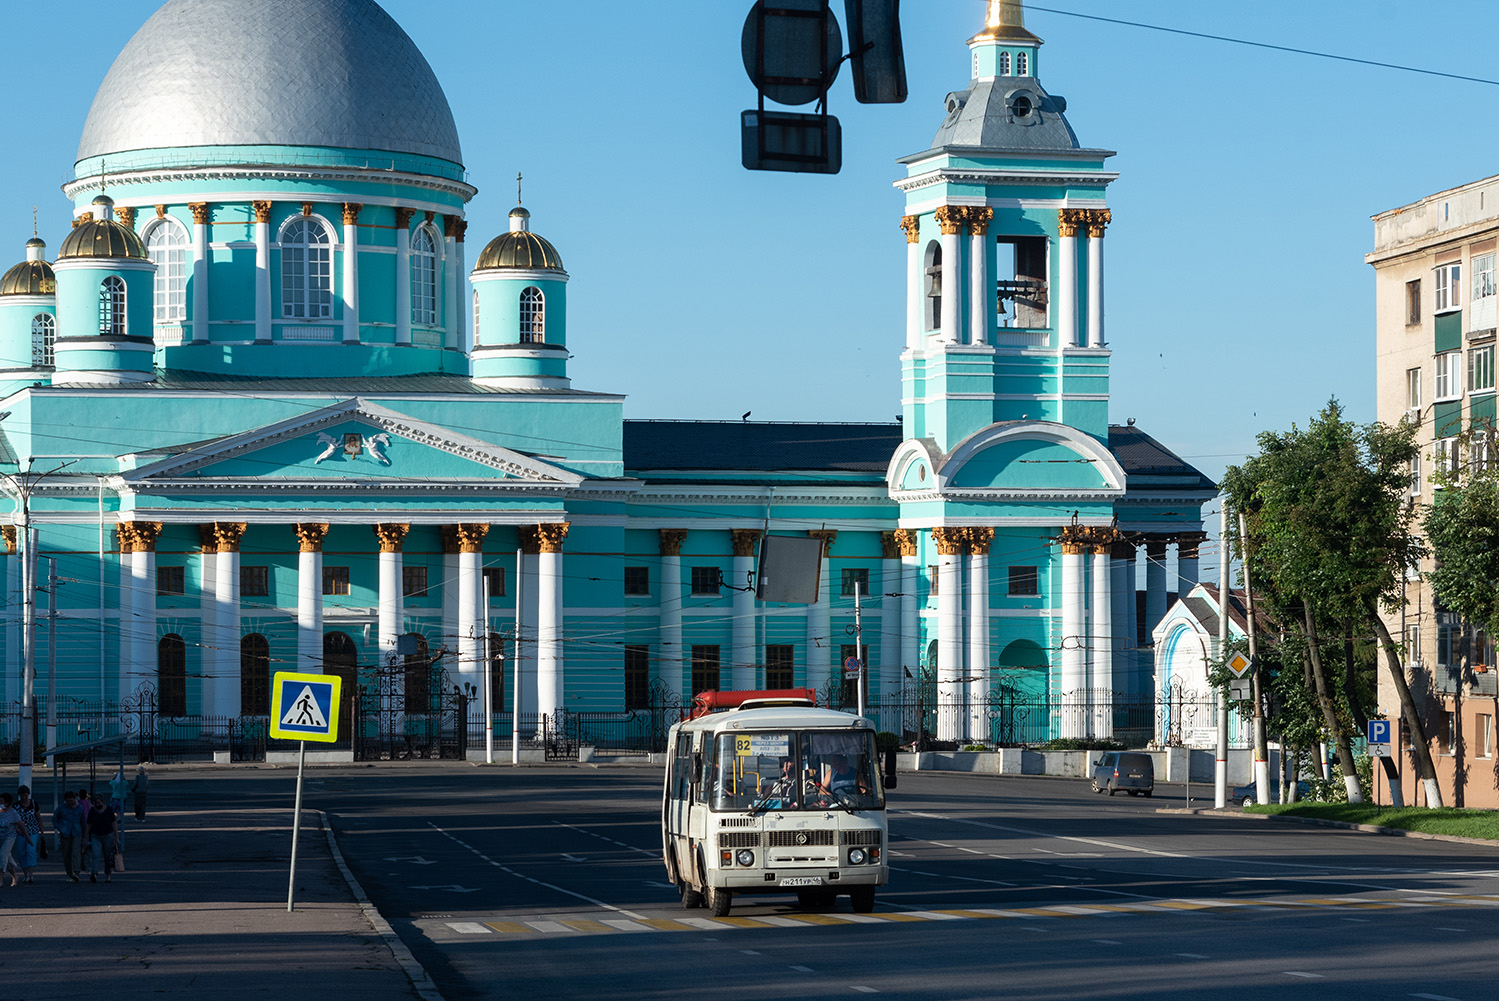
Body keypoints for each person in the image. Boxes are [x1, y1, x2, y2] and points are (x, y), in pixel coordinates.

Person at [52, 790, 86, 883]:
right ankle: (69, 873)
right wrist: (60, 828)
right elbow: (54, 819)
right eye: (68, 801)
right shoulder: (61, 807)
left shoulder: (79, 808)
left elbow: (83, 822)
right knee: (66, 854)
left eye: (71, 801)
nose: (70, 803)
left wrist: (85, 835)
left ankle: (76, 872)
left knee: (76, 852)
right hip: (65, 833)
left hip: (77, 832)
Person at [85, 793, 118, 884]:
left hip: (108, 835)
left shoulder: (109, 810)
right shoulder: (92, 811)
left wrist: (116, 836)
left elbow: (113, 823)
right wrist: (85, 836)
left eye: (99, 802)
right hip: (96, 835)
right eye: (95, 803)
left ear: (103, 802)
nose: (97, 804)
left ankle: (108, 875)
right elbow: (89, 824)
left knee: (108, 856)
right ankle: (94, 873)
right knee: (95, 854)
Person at [12, 786, 42, 884]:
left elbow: (38, 817)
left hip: (33, 831)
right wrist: (16, 828)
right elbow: (13, 819)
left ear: (28, 794)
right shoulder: (16, 805)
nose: (24, 797)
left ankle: (31, 875)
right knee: (21, 852)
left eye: (25, 795)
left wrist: (41, 830)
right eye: (22, 795)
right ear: (19, 795)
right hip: (20, 832)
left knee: (31, 851)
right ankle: (25, 874)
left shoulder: (33, 803)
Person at [0, 792, 29, 888]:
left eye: (1, 801)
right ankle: (14, 876)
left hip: (10, 837)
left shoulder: (13, 813)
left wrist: (27, 837)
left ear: (7, 803)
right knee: (7, 858)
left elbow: (21, 825)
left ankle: (0, 879)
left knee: (2, 856)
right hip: (0, 837)